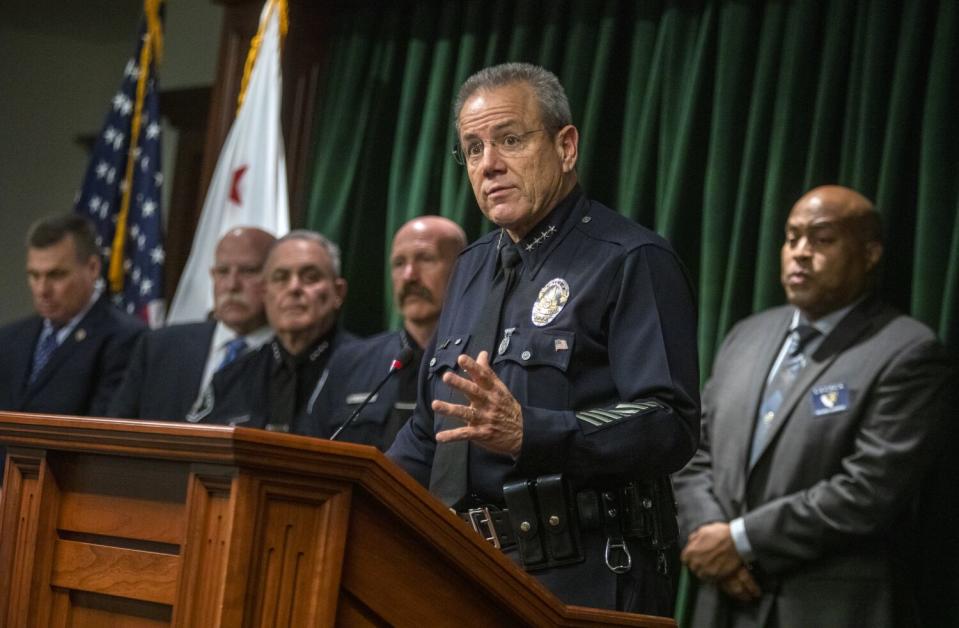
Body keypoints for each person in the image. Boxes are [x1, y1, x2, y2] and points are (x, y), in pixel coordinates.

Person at [386, 62, 700, 615]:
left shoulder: (630, 259)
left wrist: (534, 432)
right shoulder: (470, 268)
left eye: (509, 140)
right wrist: (361, 491)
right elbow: (430, 431)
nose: (490, 165)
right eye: (474, 148)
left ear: (566, 146)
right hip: (460, 568)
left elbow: (668, 420)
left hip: (584, 573)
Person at [673, 185, 951, 628]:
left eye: (822, 240)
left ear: (871, 252)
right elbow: (694, 451)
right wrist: (710, 540)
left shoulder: (907, 352)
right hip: (723, 601)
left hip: (828, 607)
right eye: (792, 237)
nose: (801, 253)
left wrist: (741, 542)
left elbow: (868, 490)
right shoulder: (745, 336)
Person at [0, 213, 145, 480]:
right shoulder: (10, 338)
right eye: (34, 275)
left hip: (60, 490)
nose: (42, 289)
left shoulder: (124, 339)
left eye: (56, 275)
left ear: (92, 268)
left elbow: (98, 434)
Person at [313, 215, 466, 449]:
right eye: (399, 263)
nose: (409, 276)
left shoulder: (481, 359)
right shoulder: (350, 361)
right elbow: (313, 448)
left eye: (425, 259)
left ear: (463, 269)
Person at [192, 230, 356, 432]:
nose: (294, 287)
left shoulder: (370, 369)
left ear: (338, 293)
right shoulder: (231, 377)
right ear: (265, 294)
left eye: (310, 277)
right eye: (281, 278)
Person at [109, 227, 276, 421]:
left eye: (248, 271)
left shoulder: (290, 358)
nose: (231, 285)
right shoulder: (159, 346)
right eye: (222, 272)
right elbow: (118, 427)